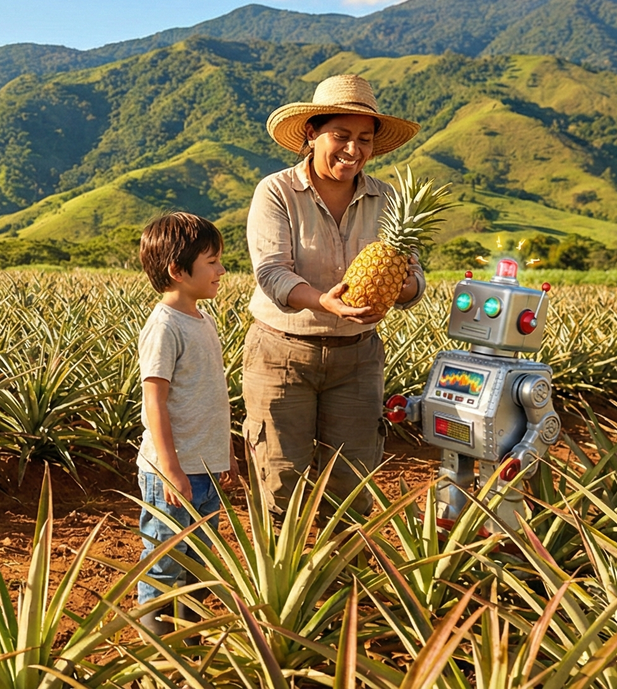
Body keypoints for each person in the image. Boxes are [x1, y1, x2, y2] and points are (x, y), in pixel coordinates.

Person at [243, 73, 426, 516]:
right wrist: (323, 301)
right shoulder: (277, 191)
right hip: (282, 354)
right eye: (341, 135)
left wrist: (406, 287)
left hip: (358, 358)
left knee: (351, 481)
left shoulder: (386, 199)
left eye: (365, 139)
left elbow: (416, 274)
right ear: (311, 133)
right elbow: (271, 272)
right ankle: (282, 560)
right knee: (280, 478)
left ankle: (345, 561)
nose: (353, 149)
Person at [133, 211, 234, 636]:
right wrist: (171, 469)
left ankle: (187, 631)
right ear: (178, 270)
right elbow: (154, 401)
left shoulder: (202, 320)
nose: (221, 270)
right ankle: (155, 642)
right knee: (165, 559)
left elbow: (212, 396)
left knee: (199, 556)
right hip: (173, 474)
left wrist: (226, 452)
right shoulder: (164, 327)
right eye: (212, 262)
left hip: (205, 468)